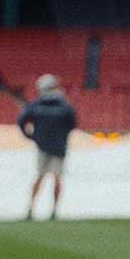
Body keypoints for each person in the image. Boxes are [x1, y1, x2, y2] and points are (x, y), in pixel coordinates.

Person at [18, 74, 78, 221]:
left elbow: (22, 121)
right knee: (45, 177)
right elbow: (72, 123)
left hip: (51, 147)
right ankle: (38, 209)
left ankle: (46, 210)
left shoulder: (42, 106)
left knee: (49, 177)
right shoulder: (58, 106)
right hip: (53, 147)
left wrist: (33, 137)